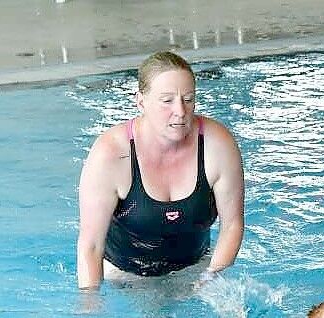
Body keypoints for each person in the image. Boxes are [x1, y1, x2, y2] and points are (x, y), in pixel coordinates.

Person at [76, 51, 244, 289]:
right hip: (125, 277)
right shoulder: (111, 154)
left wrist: (211, 277)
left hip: (196, 270)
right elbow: (90, 246)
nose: (181, 111)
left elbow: (232, 225)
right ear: (140, 101)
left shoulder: (217, 145)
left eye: (188, 99)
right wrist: (91, 306)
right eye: (167, 101)